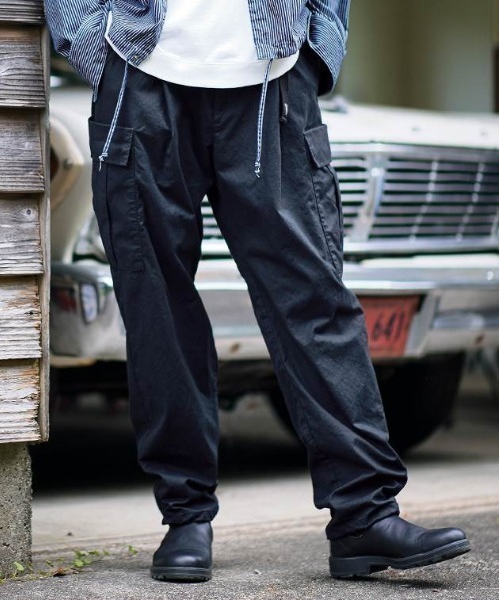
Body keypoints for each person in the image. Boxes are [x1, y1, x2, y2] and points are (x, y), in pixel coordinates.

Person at [44, 0, 471, 583]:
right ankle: (186, 516)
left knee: (315, 300)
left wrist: (317, 50)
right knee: (157, 310)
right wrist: (100, 48)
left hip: (274, 77)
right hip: (140, 75)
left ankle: (365, 515)